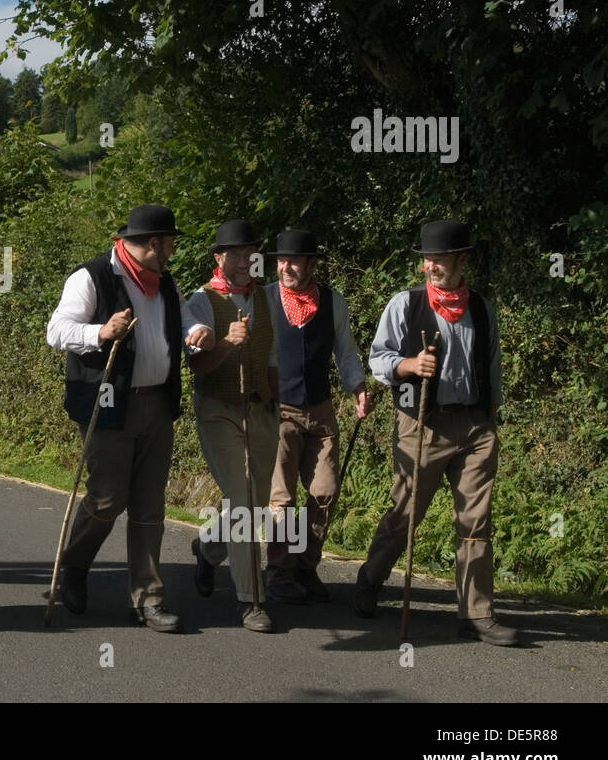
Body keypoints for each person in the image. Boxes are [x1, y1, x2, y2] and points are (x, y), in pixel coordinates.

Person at [46, 205, 214, 633]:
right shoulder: (93, 276)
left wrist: (196, 335)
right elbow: (57, 330)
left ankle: (149, 598)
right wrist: (99, 332)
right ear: (153, 244)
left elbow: (183, 322)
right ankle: (75, 568)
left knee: (149, 504)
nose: (173, 250)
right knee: (105, 499)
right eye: (171, 243)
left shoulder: (164, 283)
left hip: (157, 404)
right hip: (107, 402)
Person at [355, 220, 516, 646]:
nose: (430, 266)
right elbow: (378, 359)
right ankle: (371, 577)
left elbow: (493, 365)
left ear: (461, 260)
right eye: (426, 259)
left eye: (438, 259)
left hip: (476, 425)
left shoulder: (482, 308)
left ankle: (477, 613)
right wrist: (409, 366)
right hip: (422, 422)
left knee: (476, 519)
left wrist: (491, 415)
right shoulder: (404, 305)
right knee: (405, 513)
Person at [261, 230, 371, 604]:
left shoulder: (333, 303)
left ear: (311, 264)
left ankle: (305, 567)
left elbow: (346, 352)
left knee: (325, 492)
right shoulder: (265, 300)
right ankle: (278, 573)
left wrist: (357, 387)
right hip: (279, 411)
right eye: (280, 260)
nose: (285, 267)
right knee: (283, 499)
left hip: (321, 411)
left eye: (293, 260)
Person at [186, 219, 278, 633]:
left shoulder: (267, 299)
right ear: (219, 257)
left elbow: (274, 359)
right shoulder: (202, 301)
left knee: (255, 503)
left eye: (249, 253)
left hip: (261, 409)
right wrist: (226, 342)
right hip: (219, 408)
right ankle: (250, 600)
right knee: (241, 499)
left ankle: (207, 548)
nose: (244, 261)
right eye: (235, 254)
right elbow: (197, 365)